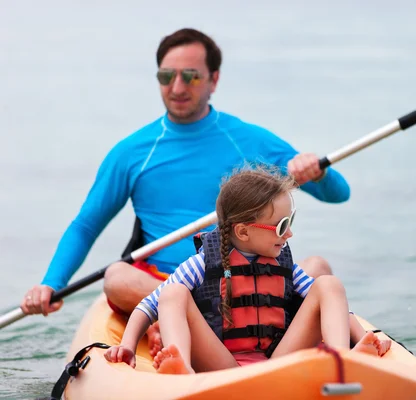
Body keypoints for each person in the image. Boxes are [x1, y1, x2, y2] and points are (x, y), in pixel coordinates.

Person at [20, 28, 350, 324]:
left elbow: (338, 194)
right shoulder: (133, 152)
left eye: (190, 76)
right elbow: (86, 225)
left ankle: (228, 319)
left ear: (214, 80)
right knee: (118, 278)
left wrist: (317, 174)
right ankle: (196, 318)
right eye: (167, 76)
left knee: (318, 269)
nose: (177, 87)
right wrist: (52, 283)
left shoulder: (249, 141)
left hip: (250, 279)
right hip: (171, 287)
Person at [104, 168, 389, 372]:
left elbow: (332, 303)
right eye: (280, 226)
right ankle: (181, 368)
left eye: (290, 221)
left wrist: (366, 334)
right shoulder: (203, 264)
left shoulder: (283, 265)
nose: (289, 234)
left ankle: (342, 360)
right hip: (221, 364)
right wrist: (128, 345)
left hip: (276, 359)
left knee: (327, 284)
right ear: (242, 231)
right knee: (172, 293)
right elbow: (147, 306)